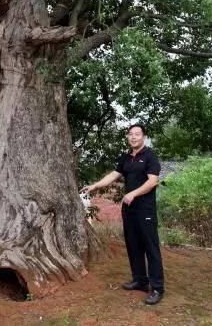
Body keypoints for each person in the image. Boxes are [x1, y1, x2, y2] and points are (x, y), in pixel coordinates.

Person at [83, 123, 164, 305]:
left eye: (137, 134)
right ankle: (140, 281)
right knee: (133, 245)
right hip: (129, 210)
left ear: (144, 137)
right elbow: (114, 175)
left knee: (151, 248)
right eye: (130, 134)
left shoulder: (150, 156)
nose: (133, 137)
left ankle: (157, 288)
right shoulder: (126, 157)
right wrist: (96, 185)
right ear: (128, 137)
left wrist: (133, 193)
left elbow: (152, 182)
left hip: (145, 209)